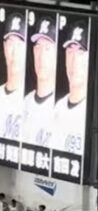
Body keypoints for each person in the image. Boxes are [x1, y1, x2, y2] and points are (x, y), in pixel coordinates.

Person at [23, 13, 57, 148]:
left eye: (47, 48)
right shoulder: (24, 102)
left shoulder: (61, 107)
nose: (41, 55)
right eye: (38, 47)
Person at [54, 21, 88, 154]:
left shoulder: (91, 113)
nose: (74, 61)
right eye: (69, 52)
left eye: (80, 53)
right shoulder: (58, 107)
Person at [0, 8, 26, 141]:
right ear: (4, 46)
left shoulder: (30, 100)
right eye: (10, 43)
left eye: (19, 44)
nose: (14, 52)